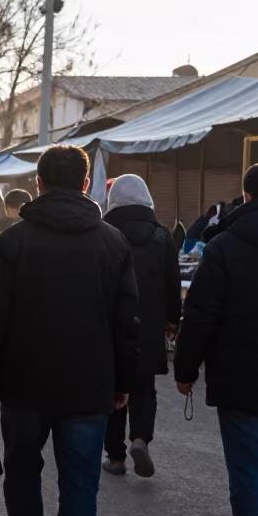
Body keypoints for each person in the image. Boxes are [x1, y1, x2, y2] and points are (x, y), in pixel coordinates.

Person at [0, 144, 138, 516]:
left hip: (24, 382)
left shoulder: (14, 240)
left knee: (23, 470)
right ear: (86, 185)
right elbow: (128, 323)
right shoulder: (112, 242)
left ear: (38, 184)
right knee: (81, 486)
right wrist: (123, 381)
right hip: (89, 387)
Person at [174, 162, 258, 516]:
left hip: (241, 378)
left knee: (248, 474)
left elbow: (200, 315)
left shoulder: (225, 246)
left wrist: (185, 370)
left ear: (248, 195)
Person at [100, 175, 181, 478]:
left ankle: (115, 457)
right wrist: (173, 321)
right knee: (144, 387)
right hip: (147, 324)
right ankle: (140, 439)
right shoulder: (162, 236)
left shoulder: (103, 233)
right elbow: (172, 286)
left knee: (112, 390)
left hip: (109, 325)